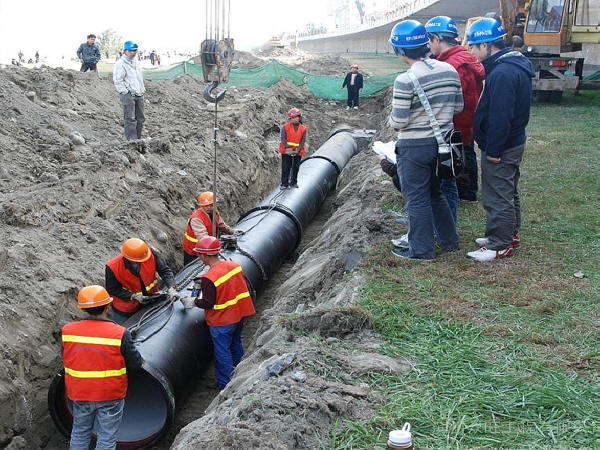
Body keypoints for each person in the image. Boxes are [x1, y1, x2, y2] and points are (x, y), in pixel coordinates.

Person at [388, 20, 463, 260]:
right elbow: (458, 107)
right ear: (426, 44)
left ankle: (421, 251)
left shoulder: (406, 79)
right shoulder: (449, 70)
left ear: (399, 50)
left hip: (415, 148)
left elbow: (399, 121)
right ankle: (449, 242)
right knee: (435, 193)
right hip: (443, 145)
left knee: (417, 200)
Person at [466, 18, 533, 262]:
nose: (472, 52)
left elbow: (501, 116)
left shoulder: (503, 73)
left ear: (487, 45)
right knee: (508, 190)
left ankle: (499, 244)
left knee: (498, 194)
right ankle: (509, 234)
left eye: (474, 46)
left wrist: (494, 148)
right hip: (511, 141)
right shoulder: (511, 65)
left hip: (502, 146)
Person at [62, 285, 143, 450]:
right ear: (108, 306)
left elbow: (68, 357)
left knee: (80, 432)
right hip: (110, 394)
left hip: (80, 392)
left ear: (83, 309)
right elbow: (135, 364)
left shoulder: (68, 331)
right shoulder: (120, 333)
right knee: (106, 437)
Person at [180, 237, 256, 390]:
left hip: (222, 321)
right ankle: (240, 373)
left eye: (199, 254)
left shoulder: (209, 278)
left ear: (203, 255)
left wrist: (193, 301)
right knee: (236, 344)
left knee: (222, 352)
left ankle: (226, 385)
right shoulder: (234, 265)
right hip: (239, 314)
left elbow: (208, 303)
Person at [425, 16, 486, 207]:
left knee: (458, 155)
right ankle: (468, 190)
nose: (428, 46)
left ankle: (465, 191)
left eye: (429, 41)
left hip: (457, 120)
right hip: (468, 118)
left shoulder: (452, 65)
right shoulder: (465, 57)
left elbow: (448, 98)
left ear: (436, 38)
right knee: (466, 152)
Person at [105, 238, 178, 323]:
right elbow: (112, 289)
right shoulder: (113, 267)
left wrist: (171, 288)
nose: (141, 262)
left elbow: (164, 271)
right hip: (126, 309)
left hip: (151, 299)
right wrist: (134, 296)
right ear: (128, 258)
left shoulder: (150, 255)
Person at [182, 191, 237, 266]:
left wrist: (233, 232)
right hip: (193, 252)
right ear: (201, 206)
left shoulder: (214, 212)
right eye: (206, 205)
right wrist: (217, 246)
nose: (209, 207)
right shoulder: (196, 219)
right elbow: (203, 237)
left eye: (211, 205)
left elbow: (221, 225)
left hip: (207, 249)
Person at [113, 41, 146, 141]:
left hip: (139, 93)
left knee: (140, 118)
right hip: (128, 94)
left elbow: (139, 78)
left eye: (135, 50)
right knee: (130, 118)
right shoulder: (120, 64)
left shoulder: (137, 63)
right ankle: (132, 141)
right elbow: (118, 80)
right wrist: (125, 92)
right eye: (131, 51)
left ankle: (138, 139)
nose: (133, 52)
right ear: (125, 51)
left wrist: (142, 89)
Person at [279, 108, 307, 189]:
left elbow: (303, 140)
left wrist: (297, 150)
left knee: (295, 167)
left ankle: (293, 182)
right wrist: (289, 149)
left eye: (296, 117)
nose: (294, 119)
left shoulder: (303, 128)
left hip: (298, 151)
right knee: (285, 167)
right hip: (286, 151)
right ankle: (284, 183)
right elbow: (283, 139)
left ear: (299, 117)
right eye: (292, 118)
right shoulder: (285, 127)